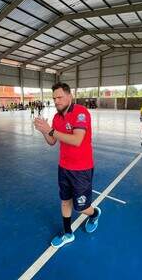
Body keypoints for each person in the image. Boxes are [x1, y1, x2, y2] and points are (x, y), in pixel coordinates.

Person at [34, 82, 101, 249]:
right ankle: (67, 233)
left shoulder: (80, 112)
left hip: (82, 169)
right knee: (65, 201)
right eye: (54, 98)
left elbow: (77, 140)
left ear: (69, 96)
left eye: (60, 97)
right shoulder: (57, 117)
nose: (56, 101)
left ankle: (95, 213)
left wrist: (50, 130)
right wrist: (44, 130)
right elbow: (52, 141)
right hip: (64, 167)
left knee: (82, 207)